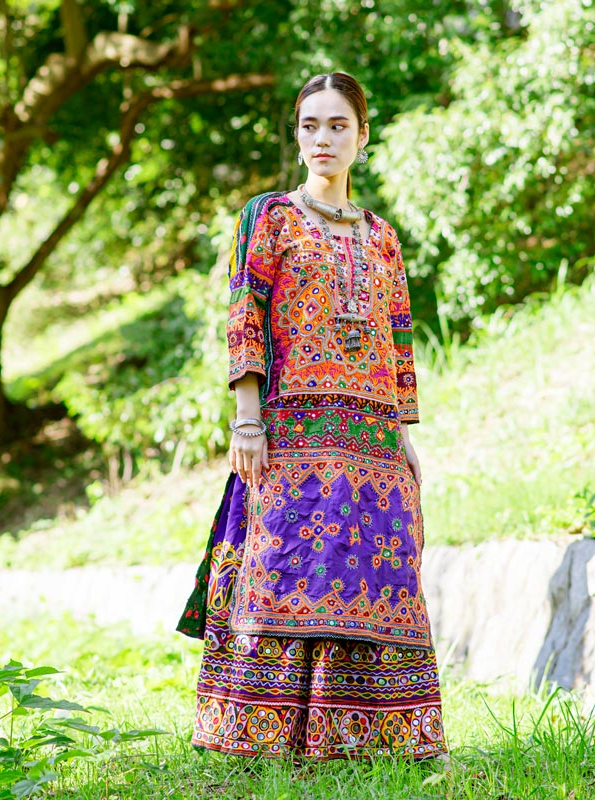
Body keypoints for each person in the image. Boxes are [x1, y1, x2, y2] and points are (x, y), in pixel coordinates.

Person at [178, 72, 447, 761]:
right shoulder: (268, 216)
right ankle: (262, 736)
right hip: (290, 434)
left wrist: (403, 432)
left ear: (363, 135)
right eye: (309, 126)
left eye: (337, 125)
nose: (322, 139)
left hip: (373, 439)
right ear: (297, 135)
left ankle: (371, 736)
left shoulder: (383, 237)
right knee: (287, 567)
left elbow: (397, 337)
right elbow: (245, 311)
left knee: (374, 575)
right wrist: (246, 419)